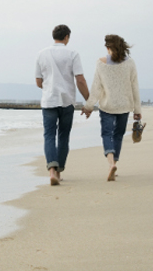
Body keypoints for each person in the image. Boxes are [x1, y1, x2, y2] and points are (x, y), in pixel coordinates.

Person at [82, 34, 142, 181]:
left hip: (107, 106)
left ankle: (110, 164)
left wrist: (88, 106)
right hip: (124, 106)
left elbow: (96, 87)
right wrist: (137, 110)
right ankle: (114, 164)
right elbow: (135, 87)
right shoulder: (130, 63)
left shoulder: (101, 63)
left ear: (108, 48)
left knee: (107, 134)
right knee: (118, 135)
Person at [35, 25, 90, 186]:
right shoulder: (73, 54)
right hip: (67, 101)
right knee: (63, 136)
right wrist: (88, 100)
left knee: (49, 135)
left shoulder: (41, 54)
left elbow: (39, 82)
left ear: (54, 36)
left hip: (49, 101)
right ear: (66, 37)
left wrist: (49, 86)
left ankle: (51, 170)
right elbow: (80, 80)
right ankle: (59, 172)